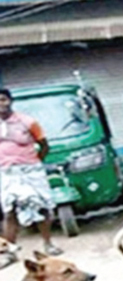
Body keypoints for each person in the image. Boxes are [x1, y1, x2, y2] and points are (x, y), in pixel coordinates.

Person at [0, 88, 63, 269]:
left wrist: (34, 163)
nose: (1, 104)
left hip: (31, 171)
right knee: (9, 213)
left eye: (3, 100)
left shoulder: (27, 122)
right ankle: (9, 253)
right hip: (5, 173)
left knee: (41, 207)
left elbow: (44, 145)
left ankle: (48, 244)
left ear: (10, 101)